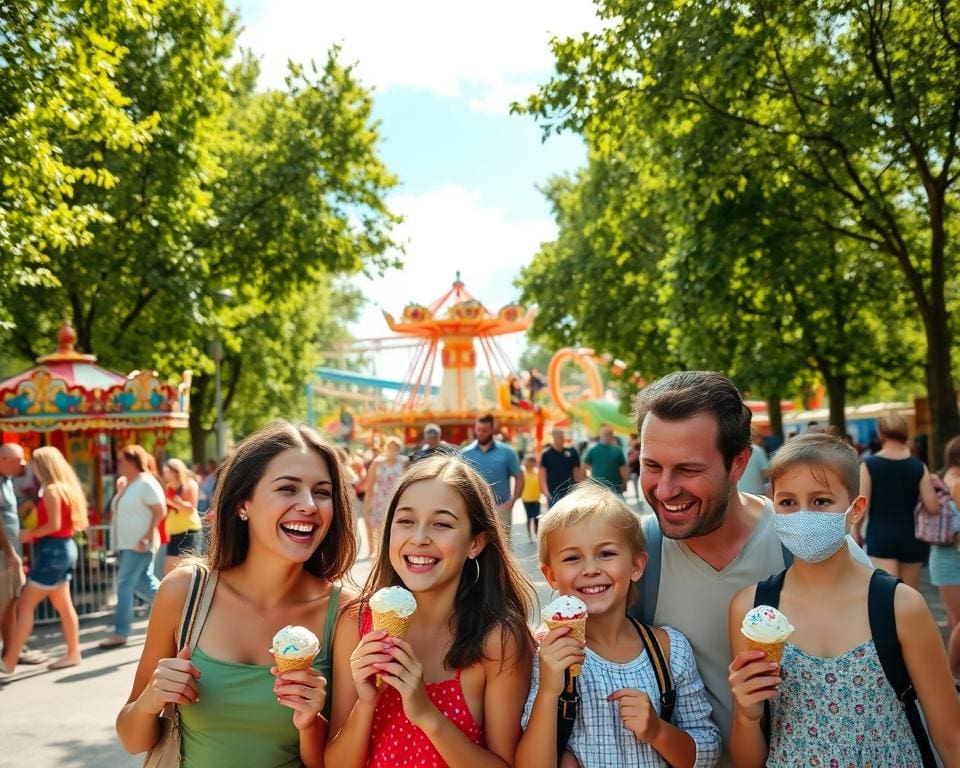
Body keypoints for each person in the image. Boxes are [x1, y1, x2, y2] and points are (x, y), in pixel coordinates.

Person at [627, 371, 869, 764]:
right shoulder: (631, 557)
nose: (666, 489)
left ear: (739, 462)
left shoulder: (809, 542)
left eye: (688, 470)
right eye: (652, 465)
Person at [116, 421, 355, 767]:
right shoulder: (184, 592)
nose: (309, 505)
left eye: (322, 492)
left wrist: (310, 723)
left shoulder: (345, 612)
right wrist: (152, 698)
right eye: (288, 489)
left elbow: (339, 764)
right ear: (243, 503)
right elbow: (132, 739)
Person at [727, 433, 960, 766]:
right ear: (773, 506)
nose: (802, 515)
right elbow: (748, 760)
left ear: (856, 508)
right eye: (788, 502)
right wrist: (748, 716)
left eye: (821, 501)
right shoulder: (752, 611)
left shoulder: (900, 607)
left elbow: (952, 739)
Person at [326, 455, 535, 767]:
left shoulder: (498, 640)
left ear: (475, 543)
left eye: (442, 524)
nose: (420, 537)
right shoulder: (354, 626)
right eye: (406, 521)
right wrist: (366, 703)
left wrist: (427, 715)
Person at [518, 484, 721, 767]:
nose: (590, 569)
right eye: (573, 558)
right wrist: (550, 690)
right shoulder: (547, 654)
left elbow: (708, 751)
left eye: (606, 553)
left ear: (637, 565)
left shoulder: (669, 649)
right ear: (550, 575)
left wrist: (658, 731)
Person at [1, 446, 89, 673]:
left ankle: (9, 661)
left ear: (44, 466)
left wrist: (27, 534)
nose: (32, 469)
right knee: (63, 604)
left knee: (25, 604)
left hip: (53, 551)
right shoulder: (64, 488)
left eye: (35, 465)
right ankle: (73, 653)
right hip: (65, 549)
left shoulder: (51, 490)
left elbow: (53, 526)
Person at [857, 411, 938, 589]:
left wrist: (855, 532)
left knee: (887, 597)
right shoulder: (918, 466)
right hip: (912, 536)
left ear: (881, 433)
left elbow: (862, 506)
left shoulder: (869, 465)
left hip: (880, 534)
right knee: (909, 598)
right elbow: (933, 507)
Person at [100, 445, 166, 649]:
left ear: (131, 462)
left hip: (139, 544)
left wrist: (146, 536)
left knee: (125, 584)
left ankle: (121, 632)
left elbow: (160, 511)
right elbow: (115, 509)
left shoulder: (146, 483)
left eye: (121, 460)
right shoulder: (130, 484)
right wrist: (121, 491)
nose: (118, 464)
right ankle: (180, 606)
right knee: (141, 584)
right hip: (128, 544)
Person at [461, 414, 523, 540]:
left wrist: (513, 500)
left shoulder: (507, 452)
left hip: (501, 508)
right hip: (474, 509)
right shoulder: (466, 453)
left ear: (492, 429)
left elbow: (519, 476)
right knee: (475, 546)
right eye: (478, 429)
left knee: (503, 548)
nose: (481, 433)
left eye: (484, 430)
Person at [363, 436, 409, 558]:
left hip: (397, 501)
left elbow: (407, 484)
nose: (393, 449)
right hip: (379, 501)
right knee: (376, 526)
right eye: (391, 447)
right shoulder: (378, 462)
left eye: (396, 447)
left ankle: (391, 552)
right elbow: (370, 485)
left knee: (394, 526)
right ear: (386, 448)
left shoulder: (403, 463)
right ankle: (374, 551)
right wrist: (367, 504)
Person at [938, 435, 960, 681]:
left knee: (955, 620)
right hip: (953, 556)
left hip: (943, 557)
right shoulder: (957, 482)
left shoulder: (943, 479)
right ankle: (952, 675)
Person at [161, 458, 202, 575]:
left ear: (175, 471)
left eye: (167, 471)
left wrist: (174, 501)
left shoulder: (190, 484)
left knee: (187, 568)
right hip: (173, 532)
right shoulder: (169, 487)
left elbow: (192, 506)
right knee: (169, 568)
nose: (165, 474)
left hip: (188, 530)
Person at [538, 428, 582, 506]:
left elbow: (577, 472)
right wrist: (546, 493)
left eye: (562, 436)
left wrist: (579, 489)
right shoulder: (547, 454)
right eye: (558, 436)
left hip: (569, 492)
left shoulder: (572, 452)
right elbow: (542, 475)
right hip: (553, 493)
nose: (561, 438)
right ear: (553, 438)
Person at [582, 425, 628, 494]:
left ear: (612, 435)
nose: (607, 436)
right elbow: (584, 467)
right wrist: (586, 483)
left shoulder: (617, 451)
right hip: (598, 488)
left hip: (615, 487)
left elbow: (623, 470)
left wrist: (625, 484)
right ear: (600, 435)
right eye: (605, 434)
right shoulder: (593, 450)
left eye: (609, 434)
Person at [736, 429, 769, 497]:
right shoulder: (758, 450)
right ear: (756, 438)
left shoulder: (735, 451)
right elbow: (766, 473)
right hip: (756, 492)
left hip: (739, 493)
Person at [520, 455, 542, 540]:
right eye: (527, 462)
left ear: (534, 464)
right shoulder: (522, 473)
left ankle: (536, 534)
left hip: (536, 498)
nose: (528, 464)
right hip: (526, 499)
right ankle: (529, 536)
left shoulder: (537, 473)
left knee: (537, 517)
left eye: (531, 462)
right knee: (529, 517)